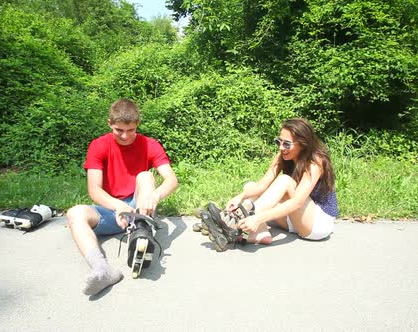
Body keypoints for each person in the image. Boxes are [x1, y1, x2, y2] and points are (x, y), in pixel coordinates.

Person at [66, 98, 178, 296]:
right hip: (112, 210)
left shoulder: (149, 144)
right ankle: (102, 269)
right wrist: (118, 206)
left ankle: (142, 232)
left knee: (145, 176)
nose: (125, 136)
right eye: (119, 130)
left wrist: (156, 194)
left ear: (137, 125)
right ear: (110, 123)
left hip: (139, 208)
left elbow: (171, 180)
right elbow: (94, 190)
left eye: (130, 130)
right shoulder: (98, 145)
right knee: (75, 213)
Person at [200, 118, 338, 250]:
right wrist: (240, 197)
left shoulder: (315, 162)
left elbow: (296, 202)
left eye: (287, 144)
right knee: (249, 186)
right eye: (279, 142)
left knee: (285, 181)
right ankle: (257, 234)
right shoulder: (283, 156)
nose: (281, 147)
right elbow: (262, 185)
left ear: (303, 143)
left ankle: (233, 225)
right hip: (295, 219)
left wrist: (258, 218)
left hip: (317, 224)